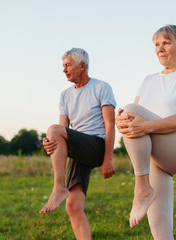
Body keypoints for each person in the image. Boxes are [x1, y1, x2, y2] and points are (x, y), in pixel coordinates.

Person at [115, 25, 176, 239]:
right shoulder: (148, 80)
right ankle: (145, 190)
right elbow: (133, 119)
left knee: (132, 110)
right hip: (155, 155)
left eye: (166, 43)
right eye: (157, 44)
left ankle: (142, 189)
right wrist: (121, 121)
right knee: (161, 232)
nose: (160, 48)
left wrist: (143, 126)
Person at [39, 48, 116, 240]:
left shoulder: (101, 87)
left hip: (96, 146)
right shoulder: (65, 95)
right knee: (73, 206)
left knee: (54, 129)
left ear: (82, 66)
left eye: (68, 65)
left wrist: (108, 160)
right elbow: (63, 129)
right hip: (78, 148)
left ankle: (58, 187)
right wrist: (50, 143)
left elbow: (110, 125)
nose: (64, 70)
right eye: (63, 66)